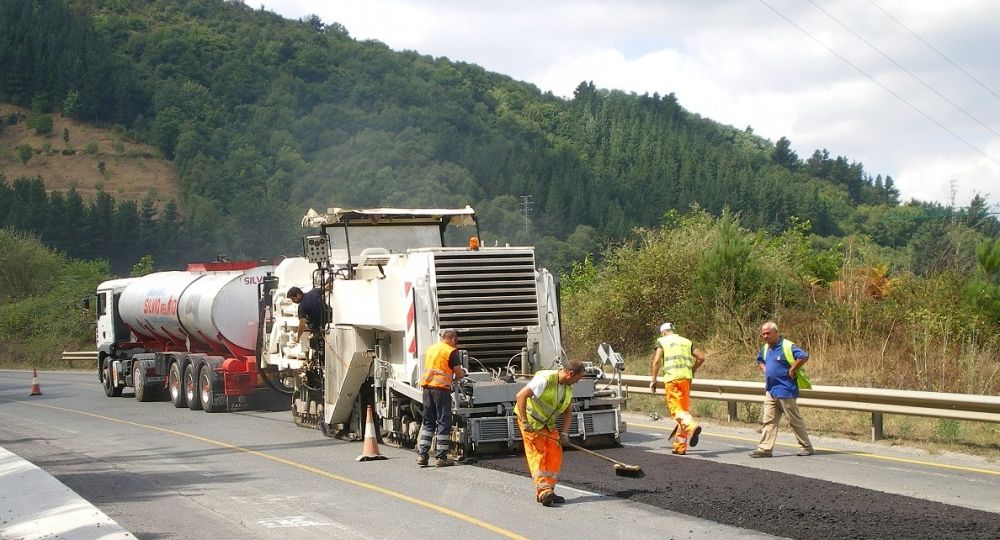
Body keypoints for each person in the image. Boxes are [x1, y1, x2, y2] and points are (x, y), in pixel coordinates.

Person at [515, 360, 586, 507]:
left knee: (555, 452)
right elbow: (520, 396)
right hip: (531, 422)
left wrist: (564, 434)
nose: (577, 382)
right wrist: (524, 421)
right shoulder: (545, 379)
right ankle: (543, 490)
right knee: (538, 454)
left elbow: (568, 412)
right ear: (571, 374)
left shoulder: (567, 388)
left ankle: (549, 491)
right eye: (577, 379)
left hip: (548, 424)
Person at [750, 321, 814, 458]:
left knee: (794, 420)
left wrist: (793, 369)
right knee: (768, 421)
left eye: (768, 333)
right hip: (771, 390)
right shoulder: (766, 348)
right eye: (763, 334)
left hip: (786, 390)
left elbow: (803, 356)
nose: (765, 336)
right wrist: (765, 368)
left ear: (776, 333)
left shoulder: (787, 345)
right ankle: (765, 449)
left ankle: (807, 447)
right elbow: (759, 360)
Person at [649, 322, 706, 455]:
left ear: (663, 332)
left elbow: (657, 361)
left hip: (672, 380)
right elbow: (701, 357)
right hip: (686, 380)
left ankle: (692, 426)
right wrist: (693, 370)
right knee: (683, 413)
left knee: (676, 411)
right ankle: (680, 447)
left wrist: (654, 380)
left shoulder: (662, 341)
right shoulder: (686, 341)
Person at [417, 330, 466, 467]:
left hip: (427, 388)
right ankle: (441, 457)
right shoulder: (451, 351)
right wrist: (455, 378)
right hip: (441, 390)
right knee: (444, 422)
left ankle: (422, 455)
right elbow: (459, 373)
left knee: (428, 422)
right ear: (453, 339)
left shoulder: (432, 349)